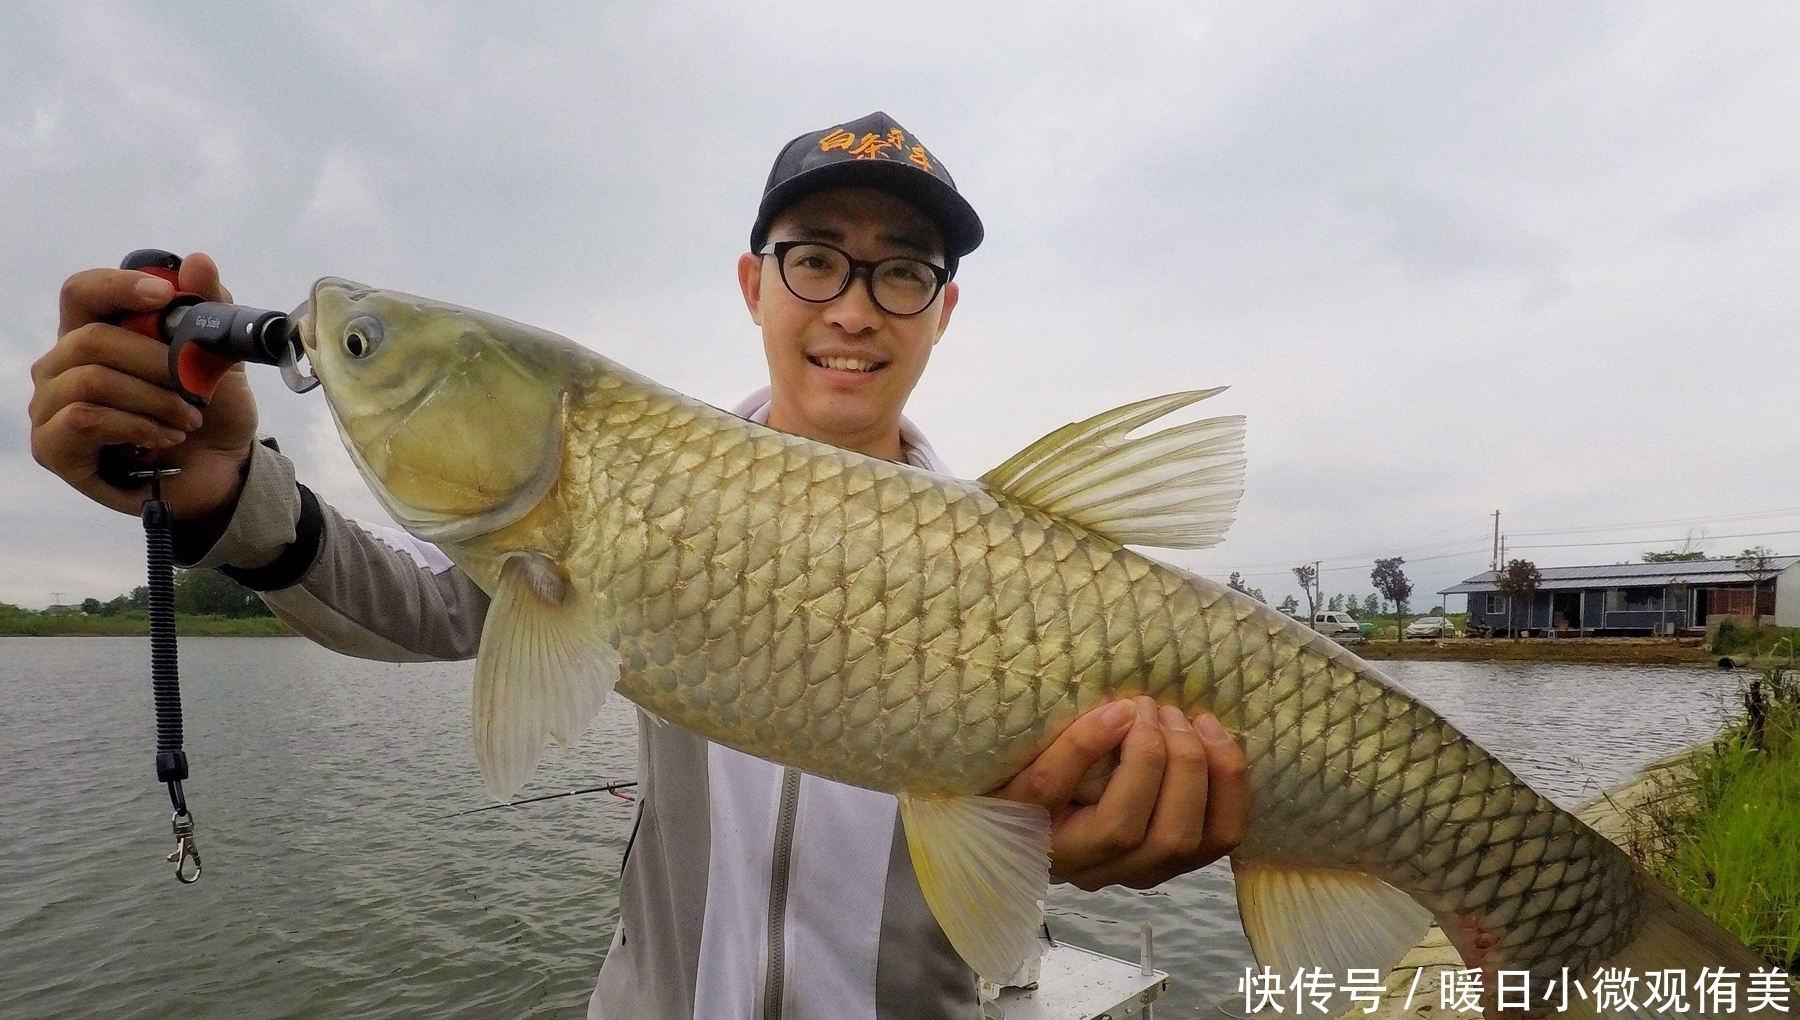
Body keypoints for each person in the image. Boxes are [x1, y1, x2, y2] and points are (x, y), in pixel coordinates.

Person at [32, 111, 1250, 1019]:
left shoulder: (1032, 566)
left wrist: (1107, 838)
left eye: (903, 271)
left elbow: (1051, 839)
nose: (853, 307)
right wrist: (227, 500)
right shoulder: (602, 499)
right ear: (753, 285)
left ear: (943, 312)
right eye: (815, 257)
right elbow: (410, 605)